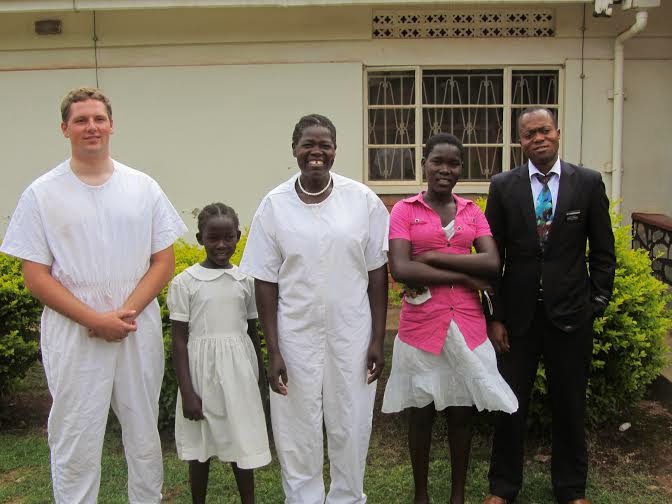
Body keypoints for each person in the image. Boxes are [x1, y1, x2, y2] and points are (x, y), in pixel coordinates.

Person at [0, 87, 187, 503]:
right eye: (81, 120)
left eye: (99, 119)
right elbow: (35, 275)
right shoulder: (42, 193)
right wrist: (94, 320)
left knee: (142, 431)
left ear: (112, 125)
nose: (91, 127)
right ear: (64, 128)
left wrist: (124, 313)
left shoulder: (142, 187)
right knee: (75, 433)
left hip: (134, 327)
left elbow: (163, 261)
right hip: (74, 332)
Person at [239, 113, 389, 504]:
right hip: (294, 332)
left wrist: (377, 338)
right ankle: (302, 498)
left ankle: (347, 497)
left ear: (335, 150)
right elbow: (265, 281)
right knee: (295, 423)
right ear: (294, 149)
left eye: (325, 145)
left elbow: (377, 274)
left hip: (351, 331)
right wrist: (273, 349)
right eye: (308, 144)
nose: (316, 152)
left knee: (351, 419)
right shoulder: (274, 206)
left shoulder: (363, 201)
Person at [482, 107, 616, 504]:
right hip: (517, 319)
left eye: (544, 130)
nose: (538, 138)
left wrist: (597, 302)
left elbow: (603, 251)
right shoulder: (503, 186)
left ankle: (571, 490)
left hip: (572, 317)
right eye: (529, 134)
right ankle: (503, 488)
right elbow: (492, 258)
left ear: (557, 133)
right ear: (520, 142)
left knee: (570, 404)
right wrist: (496, 316)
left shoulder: (587, 183)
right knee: (509, 404)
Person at [381, 133, 518, 504]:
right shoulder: (404, 210)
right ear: (423, 164)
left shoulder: (472, 211)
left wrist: (430, 258)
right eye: (437, 161)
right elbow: (401, 268)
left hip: (467, 327)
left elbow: (492, 262)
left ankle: (457, 496)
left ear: (461, 168)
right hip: (421, 327)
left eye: (453, 163)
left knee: (461, 415)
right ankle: (421, 497)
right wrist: (465, 277)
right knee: (421, 415)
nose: (445, 169)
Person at [168, 202, 271, 504]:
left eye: (228, 237)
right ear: (200, 239)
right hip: (201, 374)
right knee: (200, 448)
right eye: (213, 238)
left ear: (238, 236)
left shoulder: (245, 281)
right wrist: (188, 392)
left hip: (239, 372)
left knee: (242, 442)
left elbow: (252, 332)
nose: (221, 245)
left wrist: (260, 378)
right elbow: (179, 341)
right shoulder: (185, 283)